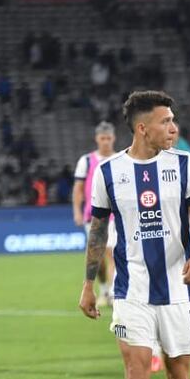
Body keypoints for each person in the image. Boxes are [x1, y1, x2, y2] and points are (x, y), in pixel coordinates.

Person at [78, 90, 190, 379]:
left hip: (177, 289)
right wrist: (87, 283)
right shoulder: (108, 173)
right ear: (142, 128)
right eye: (166, 121)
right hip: (131, 290)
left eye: (173, 119)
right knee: (137, 374)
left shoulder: (185, 165)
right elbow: (98, 230)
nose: (173, 127)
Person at [72, 122, 118, 310]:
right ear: (97, 139)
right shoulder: (87, 161)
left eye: (108, 138)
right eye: (102, 138)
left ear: (113, 138)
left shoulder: (121, 159)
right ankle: (104, 289)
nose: (106, 142)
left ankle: (114, 293)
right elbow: (78, 188)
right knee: (97, 257)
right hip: (93, 215)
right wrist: (76, 210)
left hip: (116, 215)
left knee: (112, 252)